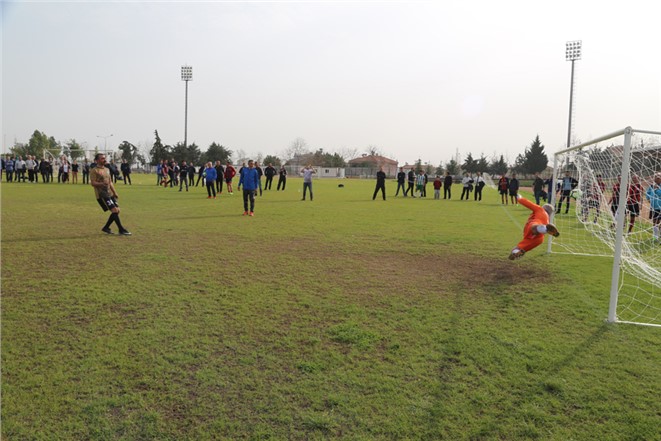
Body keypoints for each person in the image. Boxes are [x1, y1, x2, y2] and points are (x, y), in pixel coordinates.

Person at [90, 153, 131, 235]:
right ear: (97, 160)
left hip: (110, 193)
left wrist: (115, 192)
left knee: (117, 210)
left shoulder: (107, 169)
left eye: (104, 158)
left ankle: (106, 227)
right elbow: (93, 183)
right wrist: (102, 184)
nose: (104, 160)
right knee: (114, 210)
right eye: (102, 158)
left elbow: (110, 182)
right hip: (102, 195)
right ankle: (121, 229)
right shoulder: (94, 170)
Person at [508, 195, 559, 260]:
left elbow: (529, 204)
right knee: (538, 239)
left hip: (531, 227)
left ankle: (515, 252)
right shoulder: (547, 220)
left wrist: (520, 198)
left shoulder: (540, 209)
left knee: (534, 226)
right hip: (539, 238)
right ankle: (544, 229)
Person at [645, 172, 661, 241]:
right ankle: (655, 237)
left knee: (659, 222)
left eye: (658, 177)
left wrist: (657, 189)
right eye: (655, 177)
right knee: (655, 222)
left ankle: (659, 235)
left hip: (660, 207)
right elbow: (647, 193)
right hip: (654, 207)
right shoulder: (651, 186)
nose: (657, 178)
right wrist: (648, 198)